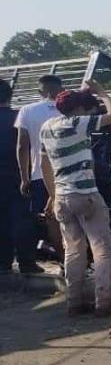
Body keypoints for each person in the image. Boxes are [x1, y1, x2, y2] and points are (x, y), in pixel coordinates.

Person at [39, 81, 111, 314]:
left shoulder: (47, 127)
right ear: (78, 109)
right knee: (101, 248)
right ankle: (104, 301)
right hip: (85, 194)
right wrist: (101, 92)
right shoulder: (78, 123)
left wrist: (52, 195)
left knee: (73, 250)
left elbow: (44, 164)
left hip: (62, 196)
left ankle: (74, 302)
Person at [15, 73, 64, 261]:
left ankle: (63, 259)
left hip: (39, 175)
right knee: (73, 220)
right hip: (67, 175)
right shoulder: (67, 109)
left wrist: (24, 177)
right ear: (60, 89)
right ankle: (76, 261)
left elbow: (22, 146)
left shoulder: (27, 110)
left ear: (39, 91)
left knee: (51, 219)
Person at [0, 78, 40, 274]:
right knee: (22, 221)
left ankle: (3, 263)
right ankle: (27, 262)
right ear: (10, 95)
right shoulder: (20, 117)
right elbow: (27, 147)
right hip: (19, 177)